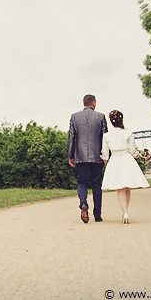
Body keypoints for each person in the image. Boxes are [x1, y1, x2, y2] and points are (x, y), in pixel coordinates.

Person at [101, 110, 151, 224]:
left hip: (114, 159)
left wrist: (106, 163)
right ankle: (125, 212)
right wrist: (140, 156)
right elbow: (133, 151)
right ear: (121, 120)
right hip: (126, 159)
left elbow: (104, 153)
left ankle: (125, 212)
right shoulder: (128, 134)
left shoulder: (106, 135)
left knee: (120, 188)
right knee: (127, 187)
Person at [68, 94, 108, 223]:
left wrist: (71, 155)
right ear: (94, 103)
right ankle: (97, 215)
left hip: (80, 156)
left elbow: (71, 137)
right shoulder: (101, 117)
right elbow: (105, 138)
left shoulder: (74, 117)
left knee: (82, 183)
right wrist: (106, 156)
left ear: (84, 103)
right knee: (96, 184)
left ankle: (83, 204)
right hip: (97, 156)